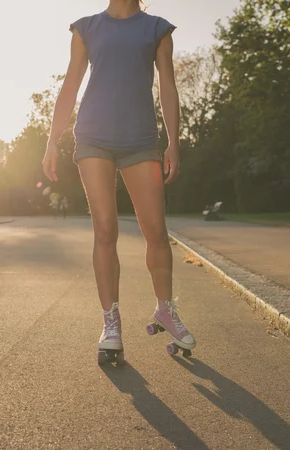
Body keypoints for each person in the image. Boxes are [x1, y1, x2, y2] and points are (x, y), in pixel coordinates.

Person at [42, 0, 195, 362]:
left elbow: (168, 88)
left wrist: (174, 141)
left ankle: (164, 310)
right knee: (106, 229)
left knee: (156, 230)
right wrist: (52, 140)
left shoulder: (158, 29)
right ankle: (111, 322)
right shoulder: (86, 28)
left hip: (141, 140)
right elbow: (70, 86)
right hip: (93, 137)